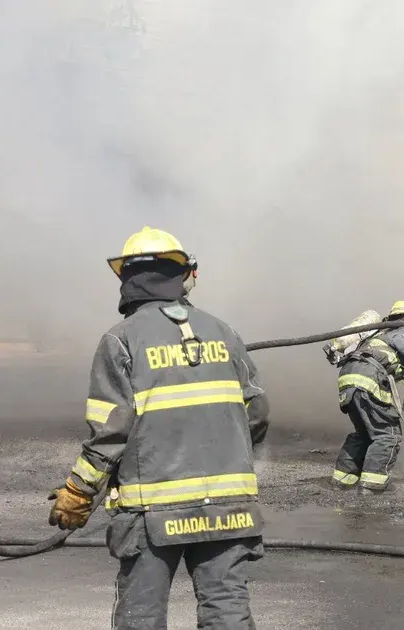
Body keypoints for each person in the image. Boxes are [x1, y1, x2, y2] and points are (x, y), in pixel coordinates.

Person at [47, 226, 271, 629]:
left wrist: (79, 492)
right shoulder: (226, 333)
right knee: (227, 611)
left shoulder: (120, 340)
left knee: (141, 615)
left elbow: (109, 434)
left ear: (127, 278)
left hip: (152, 514)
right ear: (183, 274)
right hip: (229, 509)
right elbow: (256, 415)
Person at [331, 300, 404, 494]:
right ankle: (372, 486)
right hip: (370, 378)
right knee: (387, 435)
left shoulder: (381, 332)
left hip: (349, 377)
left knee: (364, 433)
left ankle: (342, 481)